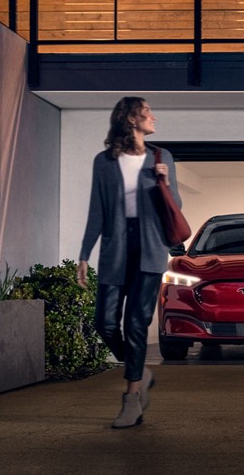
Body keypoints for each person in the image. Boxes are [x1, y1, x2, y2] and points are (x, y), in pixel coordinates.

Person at [77, 96, 181, 429]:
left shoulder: (162, 158)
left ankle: (131, 400)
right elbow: (97, 210)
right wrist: (84, 254)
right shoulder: (104, 162)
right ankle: (137, 368)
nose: (154, 117)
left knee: (136, 326)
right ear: (131, 119)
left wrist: (163, 180)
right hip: (115, 248)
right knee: (105, 323)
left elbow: (175, 207)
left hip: (149, 248)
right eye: (148, 112)